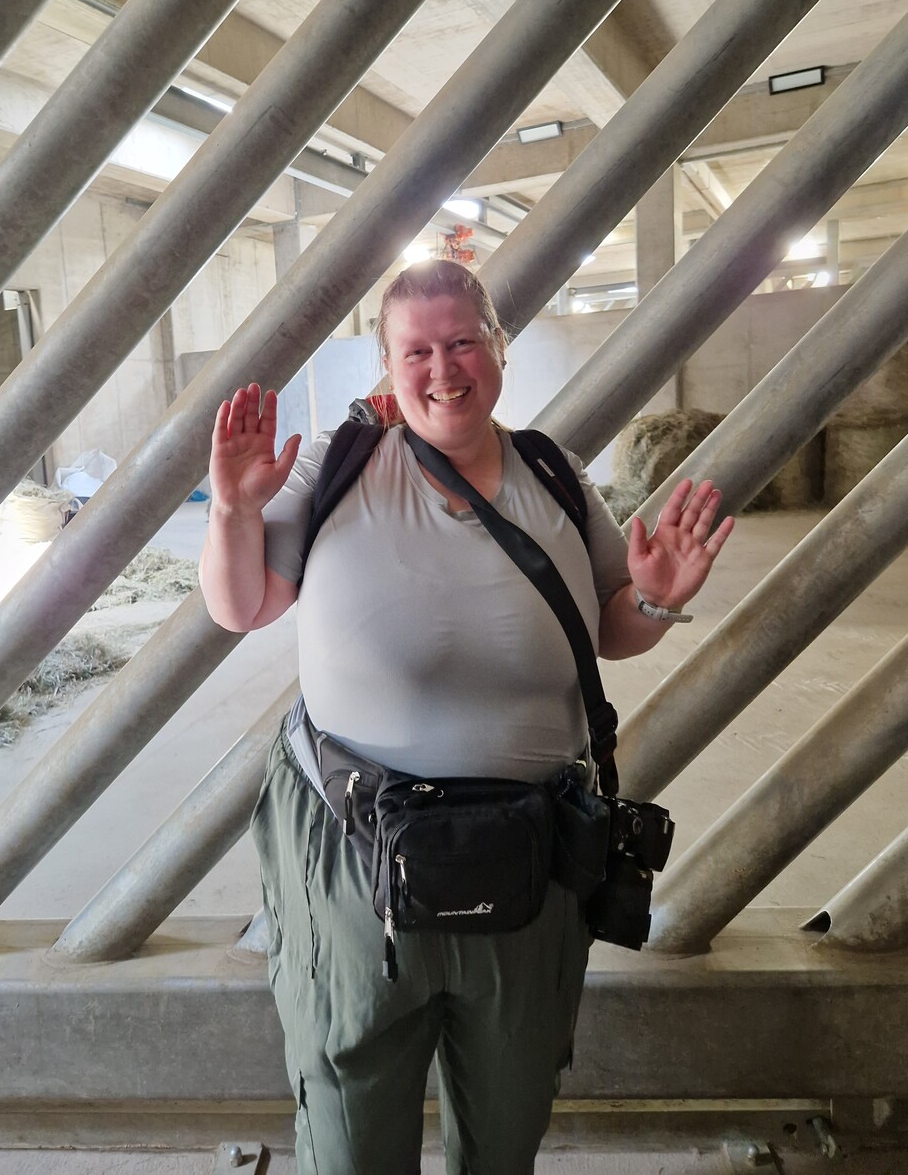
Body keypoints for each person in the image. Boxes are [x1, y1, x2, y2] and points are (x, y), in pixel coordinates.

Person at [199, 260, 733, 1175]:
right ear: (386, 363)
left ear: (497, 347)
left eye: (462, 342)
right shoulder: (338, 465)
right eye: (417, 350)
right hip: (355, 853)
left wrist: (655, 598)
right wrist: (233, 510)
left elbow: (610, 630)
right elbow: (241, 604)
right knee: (350, 1120)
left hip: (531, 853)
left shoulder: (553, 474)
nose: (443, 369)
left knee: (509, 1117)